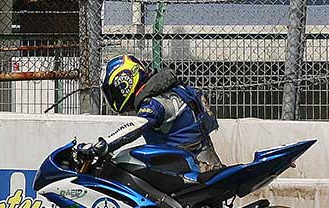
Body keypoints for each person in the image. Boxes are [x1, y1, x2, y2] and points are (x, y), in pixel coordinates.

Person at [82, 54, 223, 172]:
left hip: (191, 169)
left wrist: (103, 145)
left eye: (113, 92)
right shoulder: (173, 90)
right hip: (197, 160)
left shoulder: (155, 103)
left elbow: (135, 127)